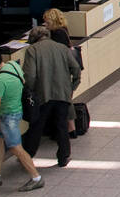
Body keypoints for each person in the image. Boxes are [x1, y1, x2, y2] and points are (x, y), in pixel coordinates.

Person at [0, 50, 43, 192]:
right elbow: (23, 82)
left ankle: (36, 177)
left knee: (15, 147)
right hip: (17, 110)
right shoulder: (14, 65)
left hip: (7, 116)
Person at [20, 25, 82, 168]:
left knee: (37, 126)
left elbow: (30, 75)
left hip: (43, 95)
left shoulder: (32, 50)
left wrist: (29, 91)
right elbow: (76, 68)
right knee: (61, 125)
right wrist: (72, 87)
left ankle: (27, 155)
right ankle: (63, 157)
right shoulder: (62, 48)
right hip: (63, 94)